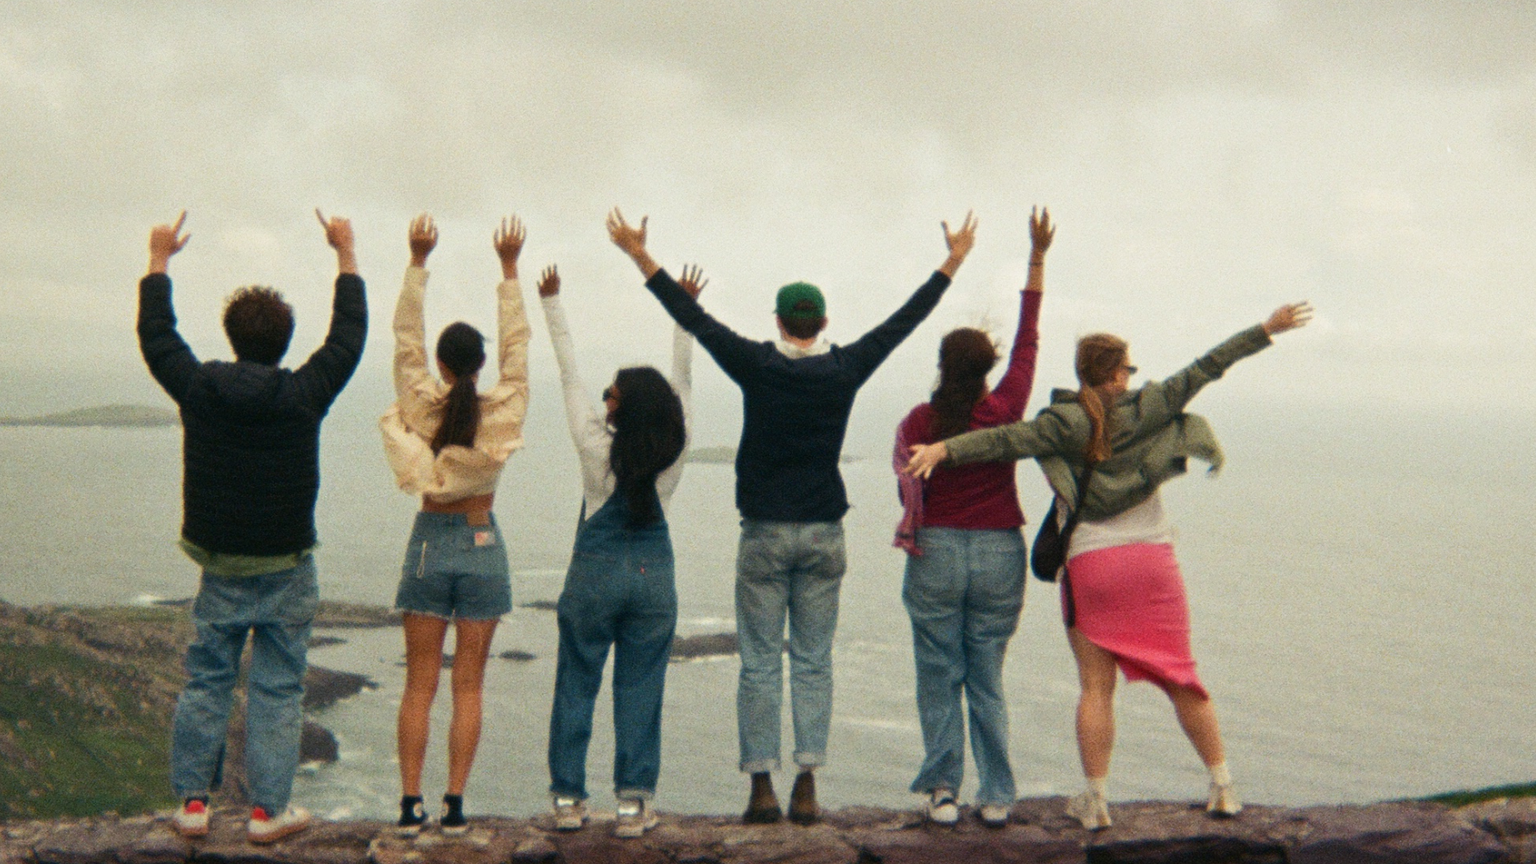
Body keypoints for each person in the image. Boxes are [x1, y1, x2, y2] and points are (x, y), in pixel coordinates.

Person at [608, 208, 977, 825]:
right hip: (824, 531)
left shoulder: (758, 364)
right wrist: (953, 261)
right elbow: (902, 323)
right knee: (813, 659)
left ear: (778, 322)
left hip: (764, 532)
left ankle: (761, 786)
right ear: (824, 323)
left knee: (758, 661)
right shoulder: (845, 367)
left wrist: (640, 256)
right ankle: (807, 781)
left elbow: (694, 319)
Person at [905, 299, 1313, 830]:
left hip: (1093, 565)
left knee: (1097, 688)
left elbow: (1007, 438)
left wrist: (943, 450)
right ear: (1119, 373)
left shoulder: (1065, 422)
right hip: (1152, 560)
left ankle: (1096, 801)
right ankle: (1224, 786)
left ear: (1083, 374)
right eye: (1127, 368)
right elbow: (1210, 364)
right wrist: (1265, 328)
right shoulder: (1155, 405)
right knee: (1183, 678)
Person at [139, 210, 367, 844]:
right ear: (285, 341)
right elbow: (349, 337)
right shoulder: (304, 393)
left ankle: (191, 804)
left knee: (207, 679)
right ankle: (268, 813)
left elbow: (158, 338)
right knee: (278, 687)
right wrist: (345, 252)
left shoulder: (202, 388)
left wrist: (159, 261)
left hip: (220, 563)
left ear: (232, 336)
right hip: (288, 564)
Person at [892, 207, 1054, 827]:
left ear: (942, 365)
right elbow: (1029, 339)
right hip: (996, 553)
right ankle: (998, 795)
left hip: (935, 550)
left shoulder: (917, 422)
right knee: (986, 674)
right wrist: (1037, 258)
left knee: (939, 673)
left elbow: (908, 488)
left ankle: (942, 791)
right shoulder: (1007, 407)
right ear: (986, 369)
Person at [379, 214, 531, 836]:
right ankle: (455, 806)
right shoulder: (504, 407)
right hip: (482, 541)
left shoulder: (419, 400)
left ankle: (410, 807)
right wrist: (510, 271)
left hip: (428, 543)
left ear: (443, 364)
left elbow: (404, 340)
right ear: (479, 365)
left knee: (420, 686)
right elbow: (518, 352)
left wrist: (417, 260)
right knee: (469, 686)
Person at [537, 261, 697, 839]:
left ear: (616, 407)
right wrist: (683, 314)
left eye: (611, 392)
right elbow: (681, 384)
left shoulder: (592, 445)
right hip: (654, 577)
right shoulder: (674, 452)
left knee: (577, 680)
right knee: (641, 687)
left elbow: (567, 373)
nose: (602, 394)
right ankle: (632, 805)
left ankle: (567, 801)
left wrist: (553, 304)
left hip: (595, 575)